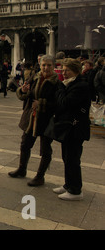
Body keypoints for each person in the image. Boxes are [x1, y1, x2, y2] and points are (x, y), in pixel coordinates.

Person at [9, 55, 61, 186]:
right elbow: (24, 94)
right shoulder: (35, 77)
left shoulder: (57, 82)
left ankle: (40, 176)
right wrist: (23, 90)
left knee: (45, 149)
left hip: (46, 120)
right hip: (30, 117)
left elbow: (59, 103)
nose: (46, 67)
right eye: (43, 65)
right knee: (25, 144)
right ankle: (22, 169)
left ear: (53, 66)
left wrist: (42, 103)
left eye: (49, 65)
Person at [47, 58, 90, 201]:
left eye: (67, 70)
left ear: (76, 71)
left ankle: (76, 190)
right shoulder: (69, 84)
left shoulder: (80, 86)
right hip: (68, 127)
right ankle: (68, 184)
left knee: (73, 159)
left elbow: (64, 103)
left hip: (76, 128)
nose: (64, 73)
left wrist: (60, 88)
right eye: (63, 70)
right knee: (67, 157)